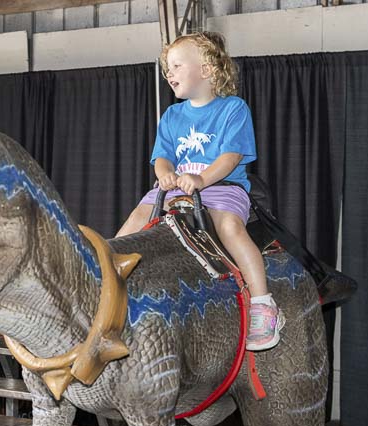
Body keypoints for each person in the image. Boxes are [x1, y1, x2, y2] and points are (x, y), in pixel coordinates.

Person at [115, 32, 284, 351]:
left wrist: (202, 179)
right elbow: (162, 156)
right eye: (167, 68)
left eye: (177, 66)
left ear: (206, 69)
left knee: (230, 227)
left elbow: (231, 156)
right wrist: (165, 175)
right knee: (138, 215)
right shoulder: (172, 116)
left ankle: (262, 301)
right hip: (178, 189)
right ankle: (106, 275)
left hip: (222, 187)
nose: (169, 74)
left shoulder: (233, 109)